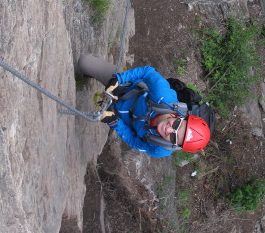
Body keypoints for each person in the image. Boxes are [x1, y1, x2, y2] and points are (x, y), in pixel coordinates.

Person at [79, 54, 211, 158]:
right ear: (181, 116)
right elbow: (148, 72)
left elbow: (134, 141)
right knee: (84, 61)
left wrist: (115, 123)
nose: (169, 130)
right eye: (177, 125)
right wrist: (119, 78)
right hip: (126, 88)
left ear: (175, 145)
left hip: (118, 115)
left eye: (173, 137)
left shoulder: (160, 149)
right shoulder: (164, 97)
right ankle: (96, 71)